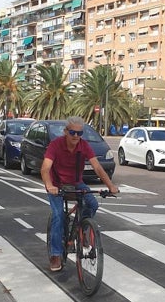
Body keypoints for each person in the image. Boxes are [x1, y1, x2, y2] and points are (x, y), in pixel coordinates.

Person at [41, 116, 118, 272]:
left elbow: (97, 167)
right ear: (65, 132)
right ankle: (56, 255)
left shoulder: (84, 146)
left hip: (76, 183)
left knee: (93, 204)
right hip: (57, 185)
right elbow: (45, 168)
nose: (76, 136)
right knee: (58, 216)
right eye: (72, 132)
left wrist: (110, 186)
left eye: (79, 133)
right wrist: (49, 185)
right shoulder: (55, 145)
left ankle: (81, 228)